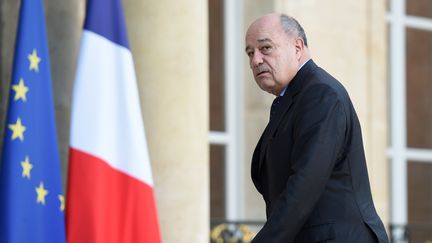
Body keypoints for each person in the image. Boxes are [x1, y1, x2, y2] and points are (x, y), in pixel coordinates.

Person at [245, 13, 389, 242]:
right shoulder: (293, 98)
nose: (256, 60)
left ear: (297, 47)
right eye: (250, 53)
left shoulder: (320, 94)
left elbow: (304, 185)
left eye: (266, 48)